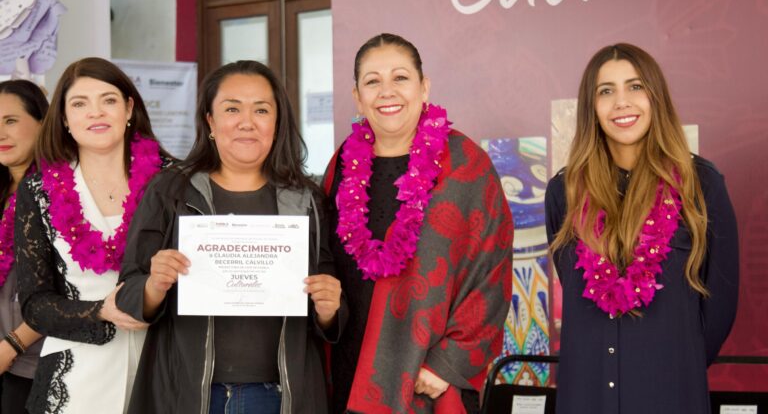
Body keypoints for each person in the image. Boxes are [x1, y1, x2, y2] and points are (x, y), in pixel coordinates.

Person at [115, 60, 345, 414]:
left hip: (282, 396)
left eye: (262, 110)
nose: (246, 122)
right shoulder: (171, 191)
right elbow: (129, 293)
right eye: (232, 108)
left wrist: (330, 308)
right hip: (187, 393)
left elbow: (332, 312)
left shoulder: (307, 200)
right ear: (210, 120)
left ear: (277, 121)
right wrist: (153, 285)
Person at [324, 33, 513, 414]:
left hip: (427, 382)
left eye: (400, 78)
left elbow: (492, 271)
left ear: (424, 88)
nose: (386, 91)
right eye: (372, 81)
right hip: (348, 373)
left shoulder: (465, 164)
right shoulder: (341, 165)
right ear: (358, 96)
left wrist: (450, 363)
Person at [545, 43, 739, 414]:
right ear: (592, 108)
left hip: (670, 394)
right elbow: (570, 284)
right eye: (606, 91)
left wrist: (670, 361)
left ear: (656, 97)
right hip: (586, 398)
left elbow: (720, 310)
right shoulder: (564, 192)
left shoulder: (702, 185)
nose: (622, 102)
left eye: (635, 87)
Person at [14, 58, 171, 414]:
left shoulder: (173, 182)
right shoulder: (38, 191)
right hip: (75, 378)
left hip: (162, 368)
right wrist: (102, 311)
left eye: (109, 100)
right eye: (80, 103)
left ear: (129, 108)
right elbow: (35, 305)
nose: (95, 113)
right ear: (65, 119)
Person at [0, 80, 47, 413]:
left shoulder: (60, 195)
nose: (0, 133)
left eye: (10, 121)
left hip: (32, 364)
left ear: (42, 123)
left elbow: (69, 290)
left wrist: (10, 347)